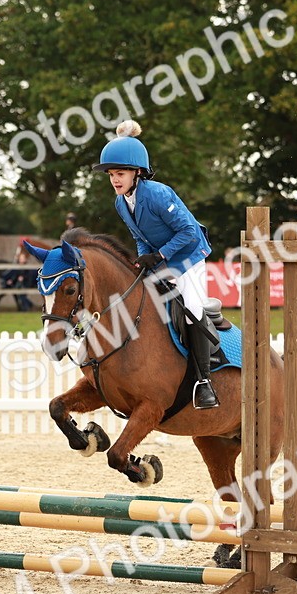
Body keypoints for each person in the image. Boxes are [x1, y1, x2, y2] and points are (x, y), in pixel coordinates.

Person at [93, 119, 218, 409]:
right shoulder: (120, 203)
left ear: (137, 172)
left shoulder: (158, 194)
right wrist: (143, 259)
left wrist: (159, 255)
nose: (114, 179)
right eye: (111, 174)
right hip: (163, 259)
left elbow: (189, 233)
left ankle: (204, 381)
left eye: (120, 173)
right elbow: (140, 237)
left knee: (191, 310)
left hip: (190, 258)